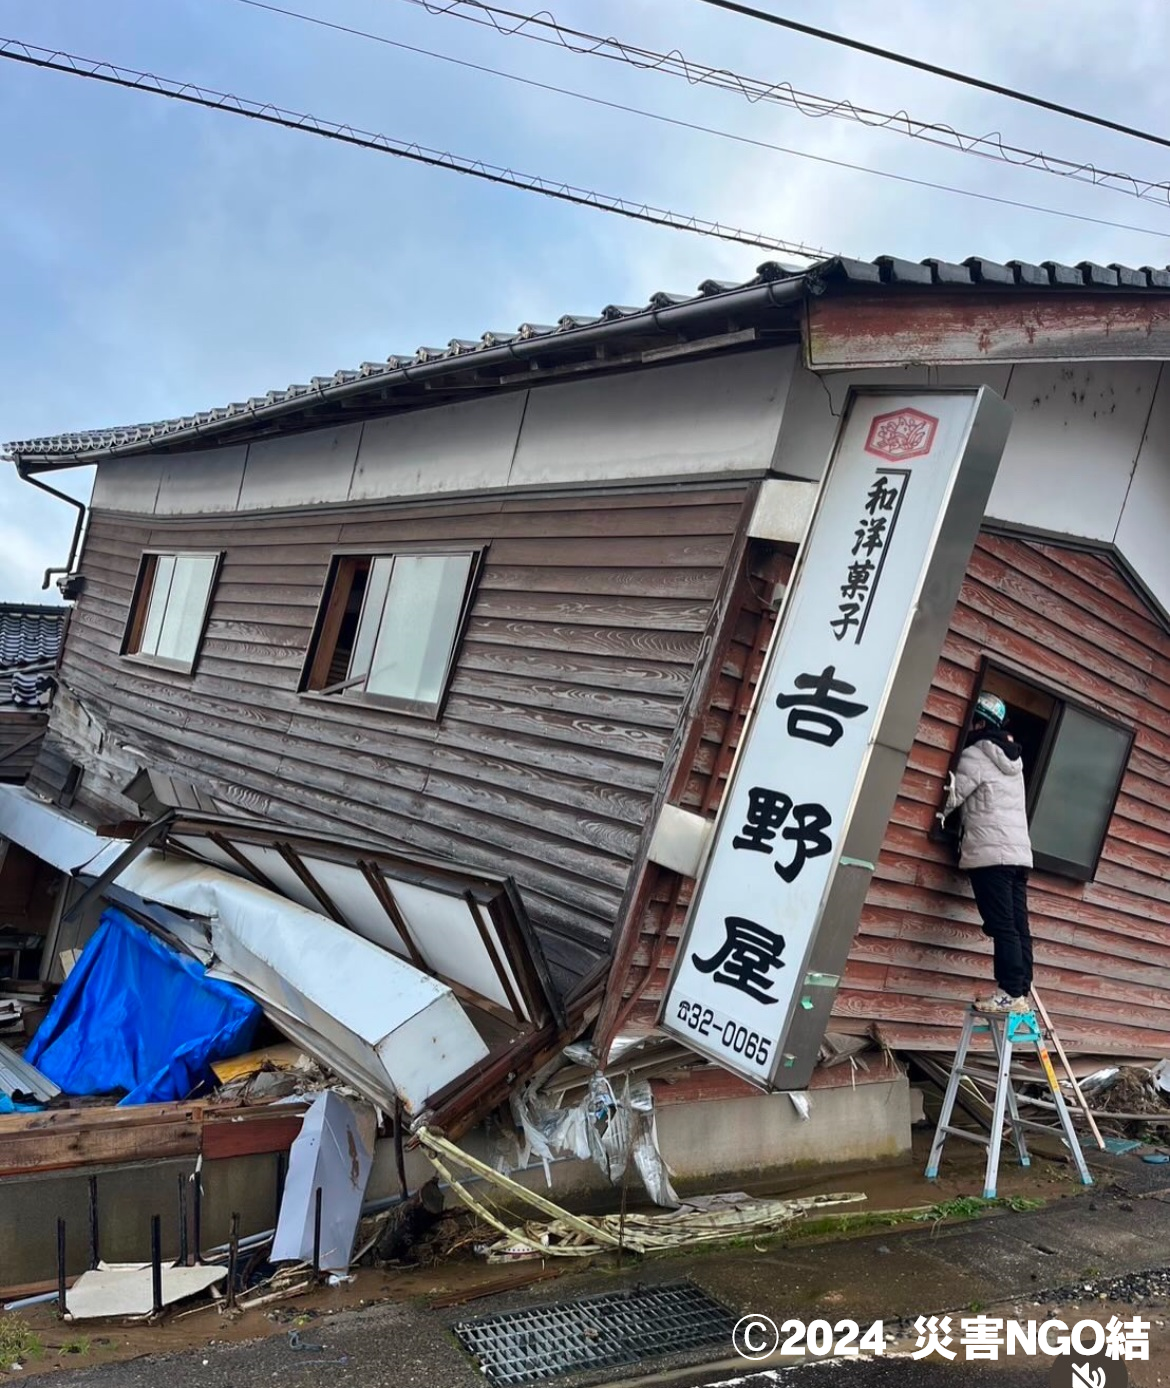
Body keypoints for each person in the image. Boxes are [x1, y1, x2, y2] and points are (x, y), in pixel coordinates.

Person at [940, 691, 1034, 1015]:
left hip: (992, 855)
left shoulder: (976, 755)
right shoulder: (1015, 762)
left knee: (1002, 926)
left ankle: (1009, 993)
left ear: (979, 722)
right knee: (1018, 926)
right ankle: (1020, 992)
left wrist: (939, 812)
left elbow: (951, 798)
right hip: (1019, 855)